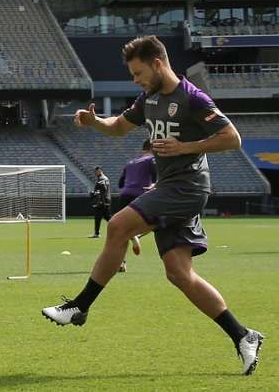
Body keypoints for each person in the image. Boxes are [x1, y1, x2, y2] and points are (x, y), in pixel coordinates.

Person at [42, 35, 264, 377]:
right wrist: (94, 122)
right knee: (179, 273)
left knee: (117, 226)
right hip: (171, 187)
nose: (135, 80)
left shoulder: (192, 98)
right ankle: (243, 335)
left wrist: (186, 146)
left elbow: (232, 137)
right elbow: (119, 127)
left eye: (138, 72)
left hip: (186, 186)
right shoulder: (149, 98)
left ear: (158, 64)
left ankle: (79, 306)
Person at [116, 140, 155, 271]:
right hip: (141, 194)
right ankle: (136, 235)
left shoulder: (130, 162)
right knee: (159, 222)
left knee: (122, 231)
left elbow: (120, 183)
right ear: (152, 148)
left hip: (125, 195)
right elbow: (157, 177)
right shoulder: (152, 160)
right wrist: (154, 185)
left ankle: (121, 264)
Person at [90, 167, 112, 238]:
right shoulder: (105, 178)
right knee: (104, 217)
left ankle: (97, 233)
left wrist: (96, 195)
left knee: (101, 217)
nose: (95, 174)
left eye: (96, 172)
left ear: (99, 171)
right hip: (105, 200)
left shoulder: (102, 179)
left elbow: (103, 189)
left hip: (102, 201)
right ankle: (97, 233)